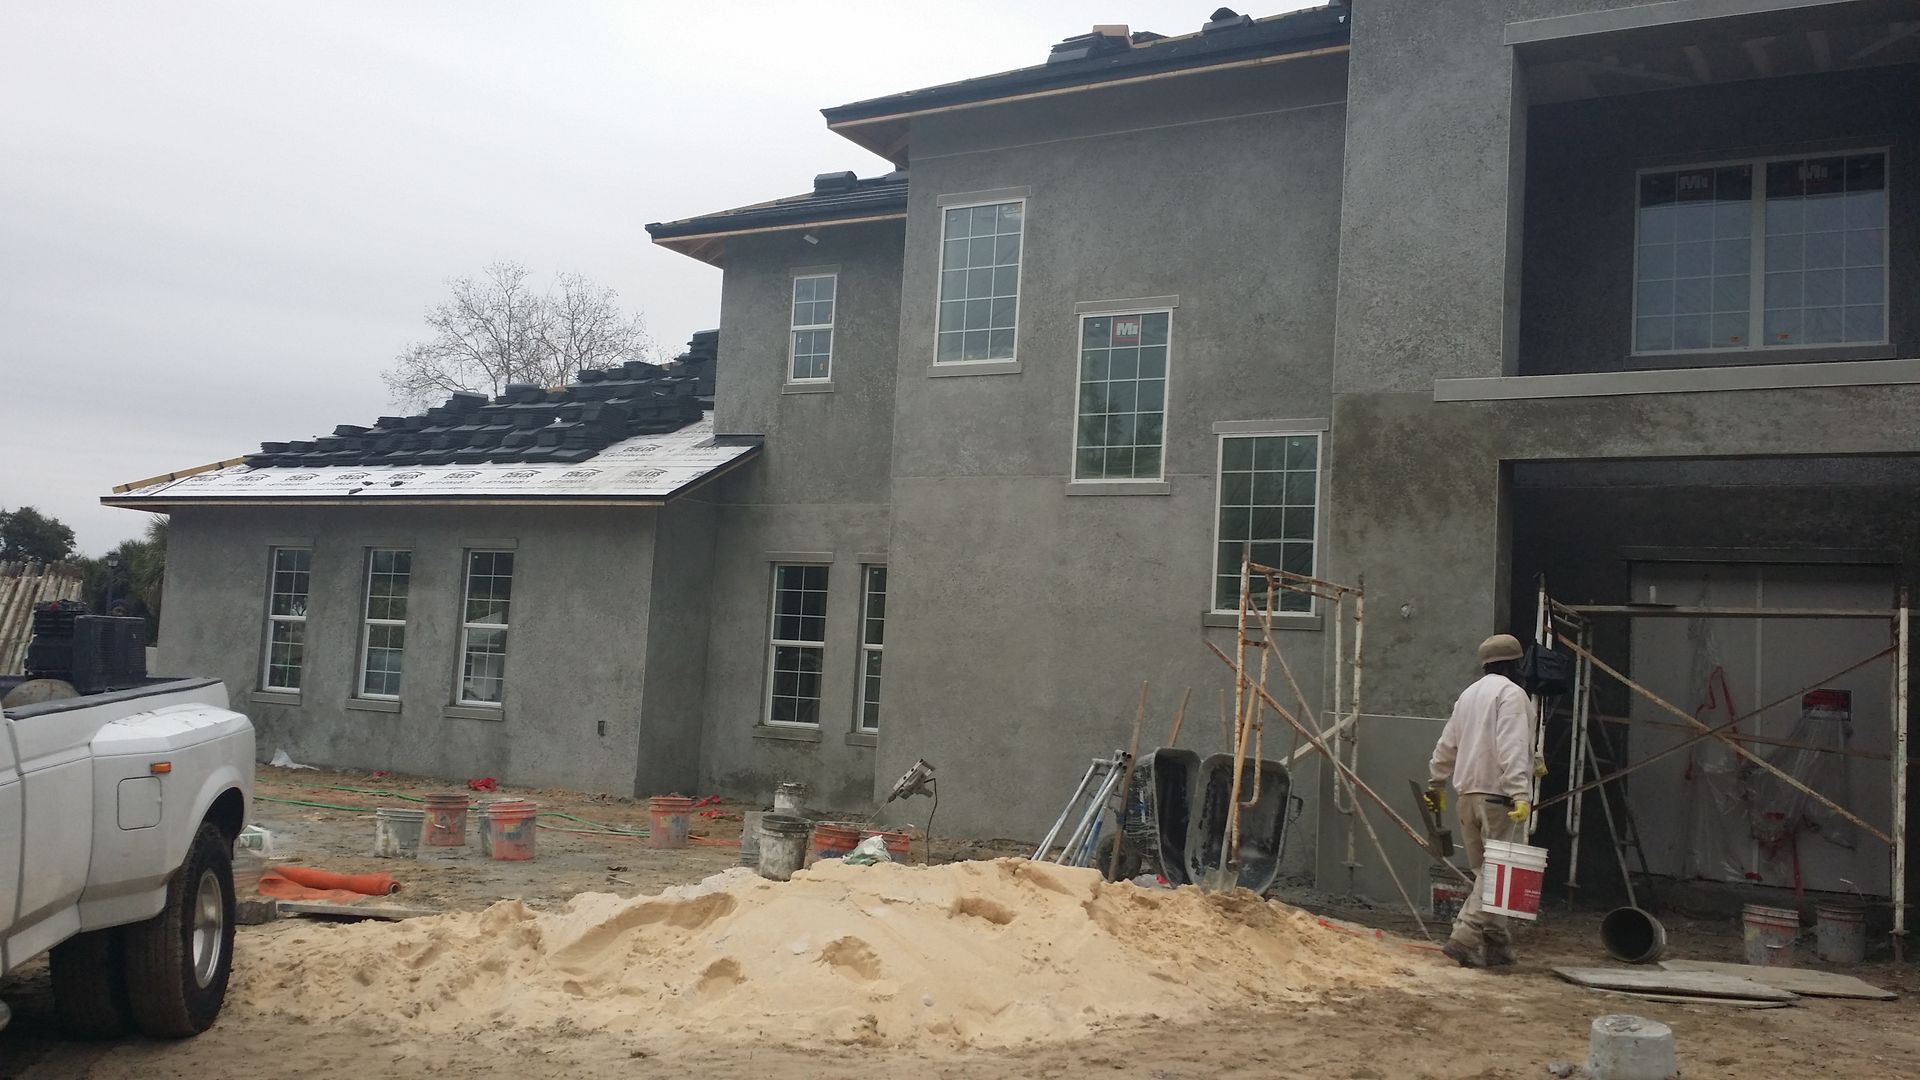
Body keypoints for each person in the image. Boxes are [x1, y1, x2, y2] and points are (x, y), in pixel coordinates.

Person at [1425, 633, 1535, 969]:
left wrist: (1436, 783)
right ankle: (1464, 936)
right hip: (1498, 798)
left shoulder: (1469, 695)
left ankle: (1497, 945)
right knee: (1499, 874)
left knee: (1486, 874)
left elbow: (1448, 744)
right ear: (1515, 664)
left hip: (1466, 797)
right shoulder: (1512, 694)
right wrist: (1520, 791)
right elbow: (1511, 744)